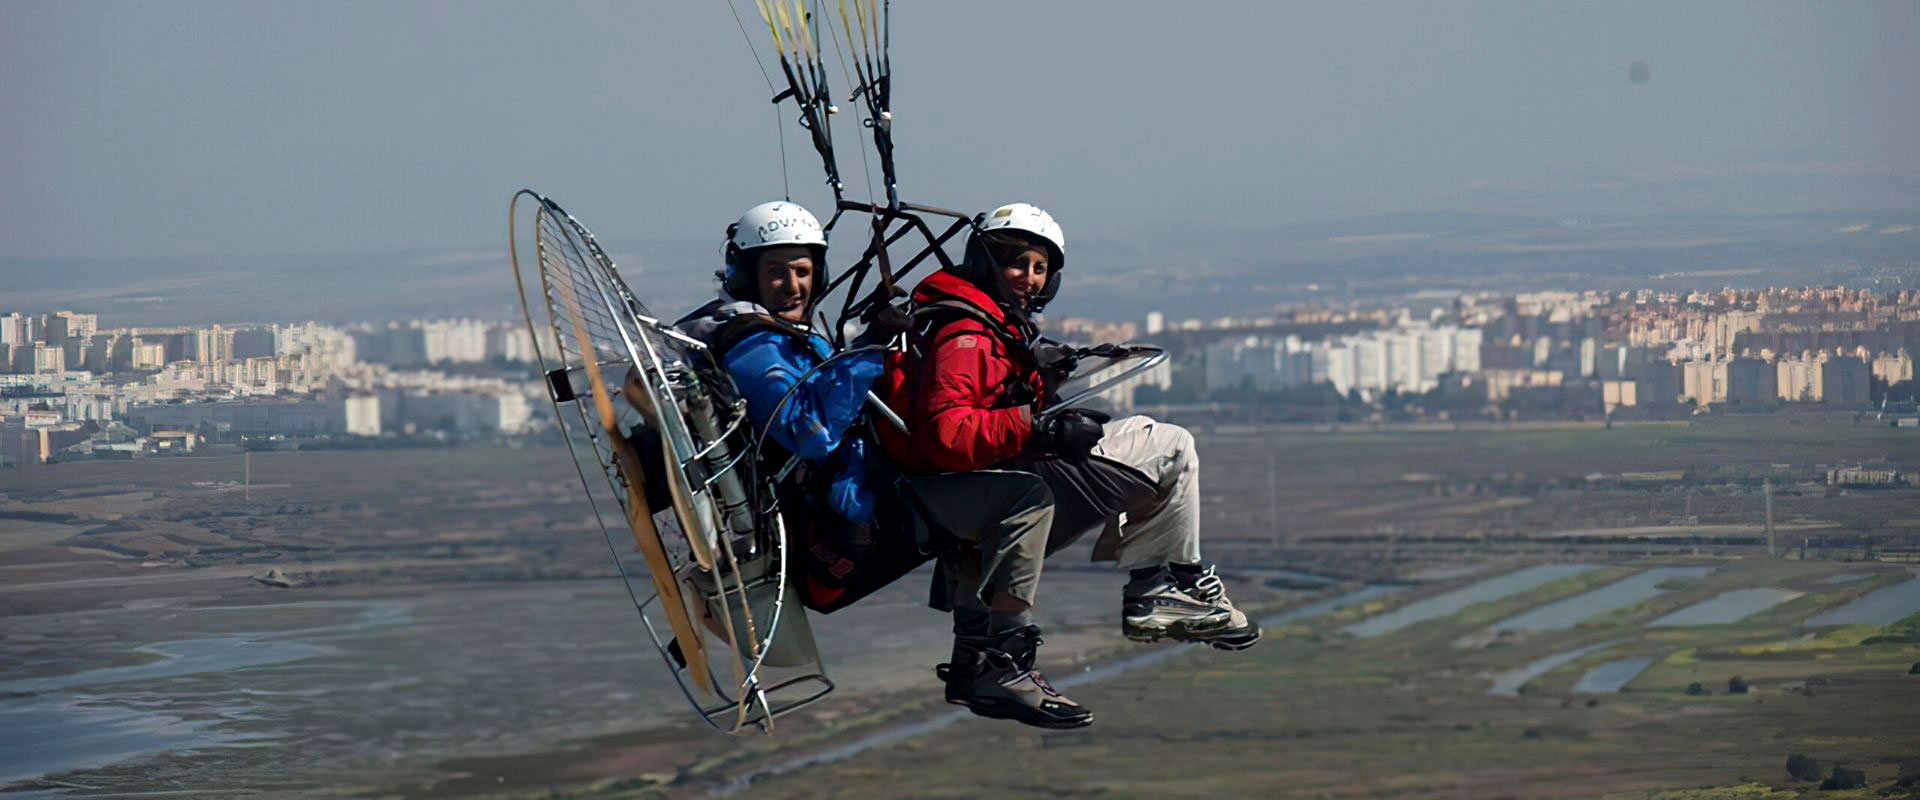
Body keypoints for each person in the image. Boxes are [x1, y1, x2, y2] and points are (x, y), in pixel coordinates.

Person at [674, 201, 1092, 729]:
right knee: (1021, 499)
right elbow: (810, 433)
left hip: (863, 501)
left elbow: (834, 394)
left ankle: (975, 665)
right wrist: (871, 348)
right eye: (776, 272)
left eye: (802, 271)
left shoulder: (786, 335)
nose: (792, 286)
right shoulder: (755, 345)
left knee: (981, 489)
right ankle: (1002, 661)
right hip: (845, 523)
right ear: (746, 275)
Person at [875, 202, 1260, 652]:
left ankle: (985, 660)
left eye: (1040, 268)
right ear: (986, 261)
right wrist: (1039, 431)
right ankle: (1168, 586)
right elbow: (947, 431)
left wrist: (1042, 382)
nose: (1030, 277)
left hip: (992, 476)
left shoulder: (989, 322)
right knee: (1171, 447)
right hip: (1005, 477)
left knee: (1138, 429)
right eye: (1016, 262)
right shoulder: (968, 333)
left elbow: (984, 406)